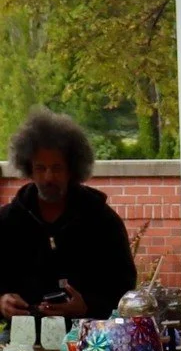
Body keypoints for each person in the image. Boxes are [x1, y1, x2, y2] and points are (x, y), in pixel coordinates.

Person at [0, 110, 137, 321]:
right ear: (29, 169)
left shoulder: (102, 220)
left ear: (72, 169)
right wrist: (2, 302)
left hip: (88, 338)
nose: (48, 177)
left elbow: (124, 290)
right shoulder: (8, 221)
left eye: (56, 168)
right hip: (21, 341)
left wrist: (87, 307)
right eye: (40, 168)